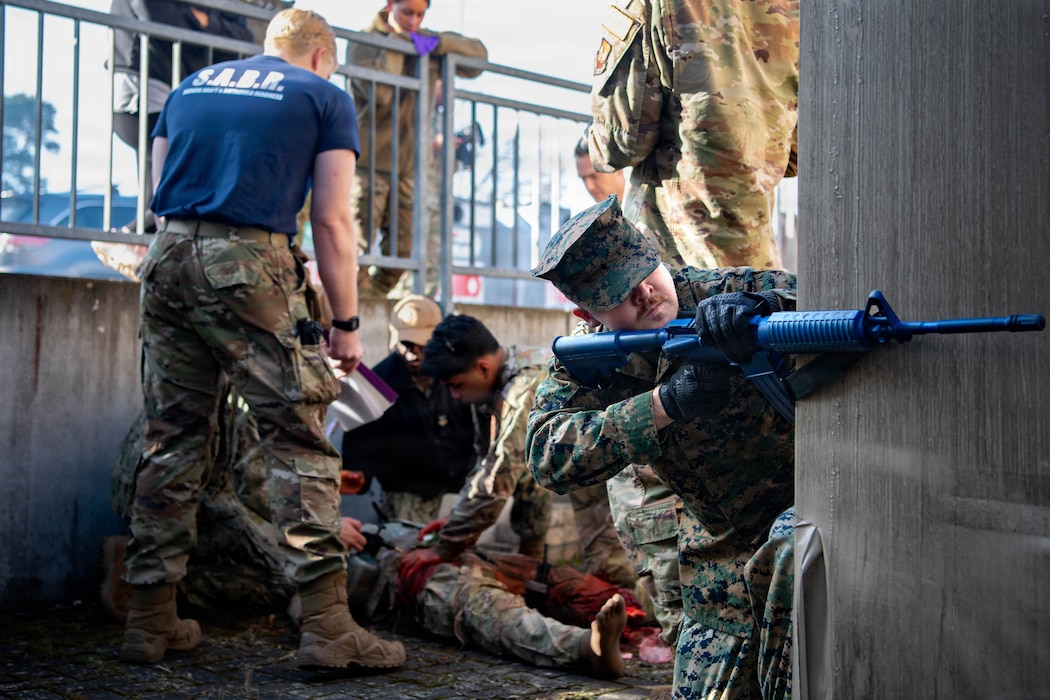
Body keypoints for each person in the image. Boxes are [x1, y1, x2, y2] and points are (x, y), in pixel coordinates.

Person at [122, 8, 405, 671]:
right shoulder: (323, 96)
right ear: (319, 56)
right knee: (298, 438)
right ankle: (331, 628)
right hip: (245, 263)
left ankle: (149, 617)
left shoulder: (194, 85)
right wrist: (345, 324)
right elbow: (334, 222)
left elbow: (163, 196)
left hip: (165, 259)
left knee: (173, 437)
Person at [527, 196, 796, 699]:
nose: (646, 292)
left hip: (799, 522)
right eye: (621, 294)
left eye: (646, 272)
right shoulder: (587, 360)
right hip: (719, 564)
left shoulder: (728, 292)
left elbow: (817, 303)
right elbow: (547, 456)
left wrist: (761, 313)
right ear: (587, 313)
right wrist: (663, 404)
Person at [588, 0, 799, 270]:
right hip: (755, 267)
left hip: (673, 264)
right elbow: (795, 152)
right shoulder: (797, 9)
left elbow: (620, 144)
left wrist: (590, 142)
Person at [102, 390, 295, 621]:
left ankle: (149, 560)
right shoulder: (259, 376)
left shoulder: (234, 361)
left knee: (266, 550)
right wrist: (319, 526)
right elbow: (252, 483)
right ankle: (142, 581)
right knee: (287, 583)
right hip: (188, 496)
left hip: (147, 489)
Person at [348, 0, 488, 297]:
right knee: (355, 250)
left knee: (404, 252)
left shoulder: (425, 41)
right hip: (368, 164)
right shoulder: (366, 41)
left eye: (420, 14)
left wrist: (438, 43)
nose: (413, 20)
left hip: (409, 169)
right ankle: (348, 311)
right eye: (406, 13)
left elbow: (479, 58)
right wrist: (401, 43)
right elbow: (381, 94)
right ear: (389, 5)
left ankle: (367, 302)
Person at [398, 314, 554, 581]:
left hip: (613, 466)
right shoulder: (493, 382)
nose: (455, 396)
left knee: (609, 562)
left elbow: (497, 481)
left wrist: (445, 547)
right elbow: (485, 460)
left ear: (482, 368)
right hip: (565, 470)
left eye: (456, 386)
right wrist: (455, 519)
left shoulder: (522, 389)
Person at [110, 0, 254, 233]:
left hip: (184, 98)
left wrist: (203, 21)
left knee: (167, 180)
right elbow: (157, 14)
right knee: (182, 169)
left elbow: (244, 38)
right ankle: (133, 237)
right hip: (144, 89)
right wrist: (208, 26)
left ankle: (138, 242)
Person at [341, 295, 476, 523]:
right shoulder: (375, 383)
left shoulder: (455, 371)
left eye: (423, 345)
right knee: (406, 541)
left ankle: (532, 547)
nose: (415, 353)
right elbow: (359, 440)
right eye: (407, 344)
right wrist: (359, 472)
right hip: (410, 484)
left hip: (462, 471)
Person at [575, 130, 625, 203]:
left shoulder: (643, 206)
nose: (590, 187)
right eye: (583, 179)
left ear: (618, 168)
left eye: (594, 176)